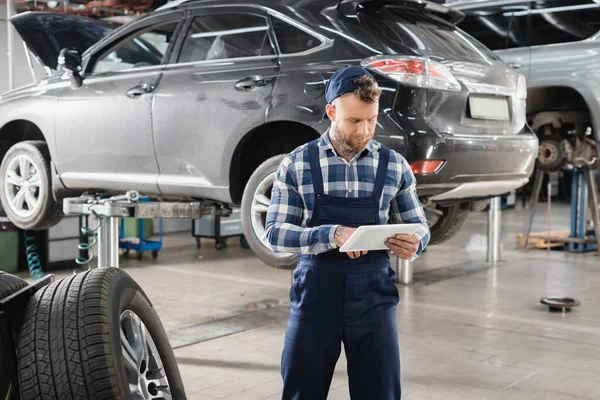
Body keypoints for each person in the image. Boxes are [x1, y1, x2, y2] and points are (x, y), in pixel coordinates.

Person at [264, 65, 430, 400]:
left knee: (380, 393)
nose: (365, 130)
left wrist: (415, 243)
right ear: (331, 111)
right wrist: (332, 234)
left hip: (373, 295)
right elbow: (275, 233)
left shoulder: (394, 165)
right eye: (354, 121)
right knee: (302, 392)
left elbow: (421, 227)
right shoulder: (297, 164)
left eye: (371, 119)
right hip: (316, 295)